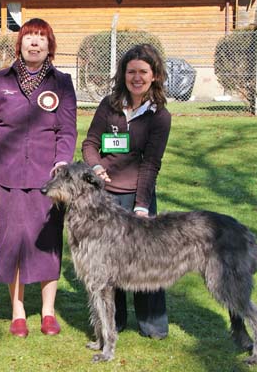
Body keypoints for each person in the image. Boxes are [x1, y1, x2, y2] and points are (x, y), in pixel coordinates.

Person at [0, 18, 77, 338]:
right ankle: (18, 312)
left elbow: (66, 130)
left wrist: (62, 162)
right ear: (20, 43)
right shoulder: (1, 81)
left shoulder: (62, 83)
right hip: (8, 175)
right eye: (29, 37)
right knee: (11, 241)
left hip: (48, 178)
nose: (35, 44)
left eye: (41, 38)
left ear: (49, 45)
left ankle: (48, 312)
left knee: (48, 242)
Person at [81, 43, 171, 339]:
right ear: (123, 74)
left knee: (147, 260)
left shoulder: (160, 116)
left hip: (138, 194)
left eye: (143, 72)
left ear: (154, 75)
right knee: (108, 262)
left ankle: (152, 323)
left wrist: (142, 205)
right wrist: (95, 168)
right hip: (105, 197)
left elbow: (151, 164)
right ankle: (113, 323)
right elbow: (91, 144)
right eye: (131, 71)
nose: (136, 77)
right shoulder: (109, 105)